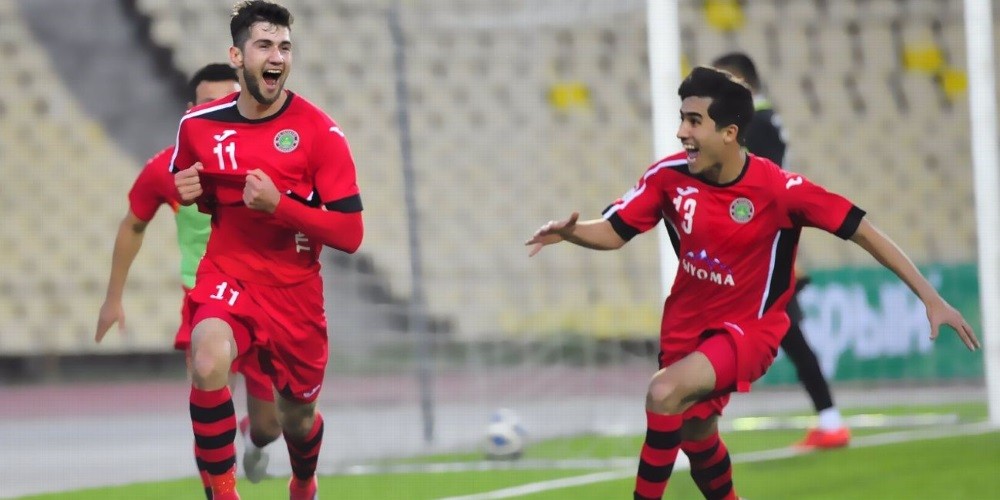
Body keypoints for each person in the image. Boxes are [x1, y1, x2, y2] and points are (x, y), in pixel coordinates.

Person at [526, 66, 979, 500]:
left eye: (693, 121)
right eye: (682, 119)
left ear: (729, 133)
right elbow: (614, 229)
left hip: (750, 329)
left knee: (663, 393)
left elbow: (861, 228)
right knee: (693, 433)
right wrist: (570, 232)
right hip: (685, 326)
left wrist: (929, 296)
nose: (682, 131)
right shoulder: (668, 178)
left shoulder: (781, 190)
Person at [171, 2, 364, 498]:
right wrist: (187, 188)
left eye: (284, 46)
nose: (276, 56)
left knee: (294, 423)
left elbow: (349, 233)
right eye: (264, 45)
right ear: (237, 56)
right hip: (227, 275)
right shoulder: (198, 125)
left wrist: (281, 206)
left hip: (294, 293)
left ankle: (303, 479)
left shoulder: (320, 132)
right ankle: (225, 492)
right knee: (209, 359)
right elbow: (186, 179)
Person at [95, 63, 281, 498]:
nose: (219, 110)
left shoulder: (266, 159)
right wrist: (113, 298)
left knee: (273, 426)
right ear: (191, 111)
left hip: (265, 297)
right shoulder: (167, 169)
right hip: (204, 297)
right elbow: (133, 225)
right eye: (208, 102)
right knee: (206, 386)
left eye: (227, 101)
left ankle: (254, 436)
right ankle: (219, 492)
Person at [711, 51, 849, 449]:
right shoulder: (761, 122)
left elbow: (756, 188)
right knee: (788, 335)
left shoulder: (753, 123)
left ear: (741, 80)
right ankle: (830, 419)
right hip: (764, 246)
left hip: (758, 250)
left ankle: (695, 418)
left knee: (721, 332)